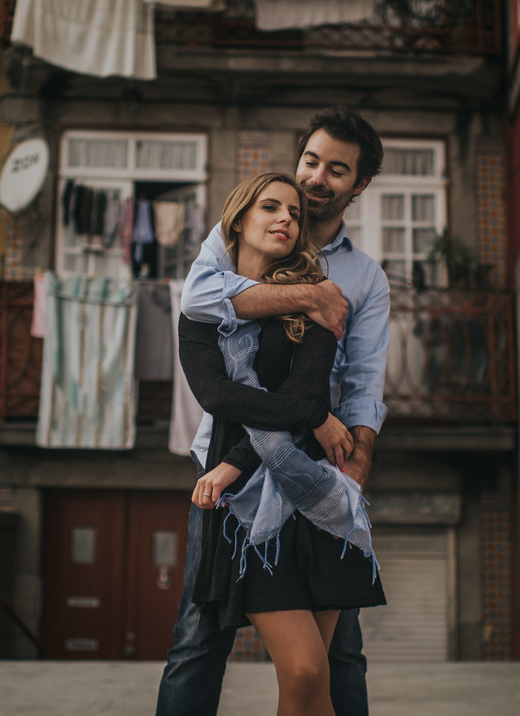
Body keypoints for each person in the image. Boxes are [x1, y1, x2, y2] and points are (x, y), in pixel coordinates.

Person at [157, 107, 390, 716]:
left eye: (336, 170)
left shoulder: (365, 276)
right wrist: (310, 294)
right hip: (230, 462)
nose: (316, 179)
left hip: (318, 468)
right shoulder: (233, 237)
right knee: (199, 637)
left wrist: (356, 464)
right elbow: (198, 299)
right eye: (311, 161)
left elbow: (361, 381)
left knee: (338, 654)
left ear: (359, 184)